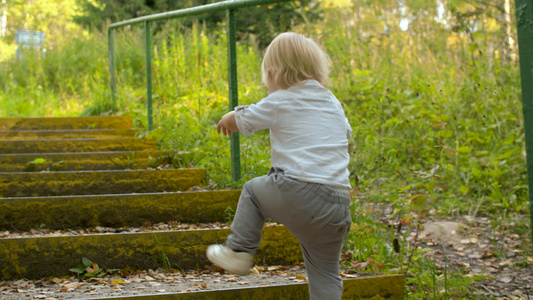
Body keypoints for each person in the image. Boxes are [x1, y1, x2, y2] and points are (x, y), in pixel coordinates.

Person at [207, 32, 352, 300]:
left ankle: (239, 250)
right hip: (338, 204)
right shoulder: (332, 101)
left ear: (273, 73)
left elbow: (243, 119)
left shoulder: (282, 98)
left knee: (253, 191)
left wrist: (227, 119)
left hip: (300, 190)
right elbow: (345, 134)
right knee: (326, 274)